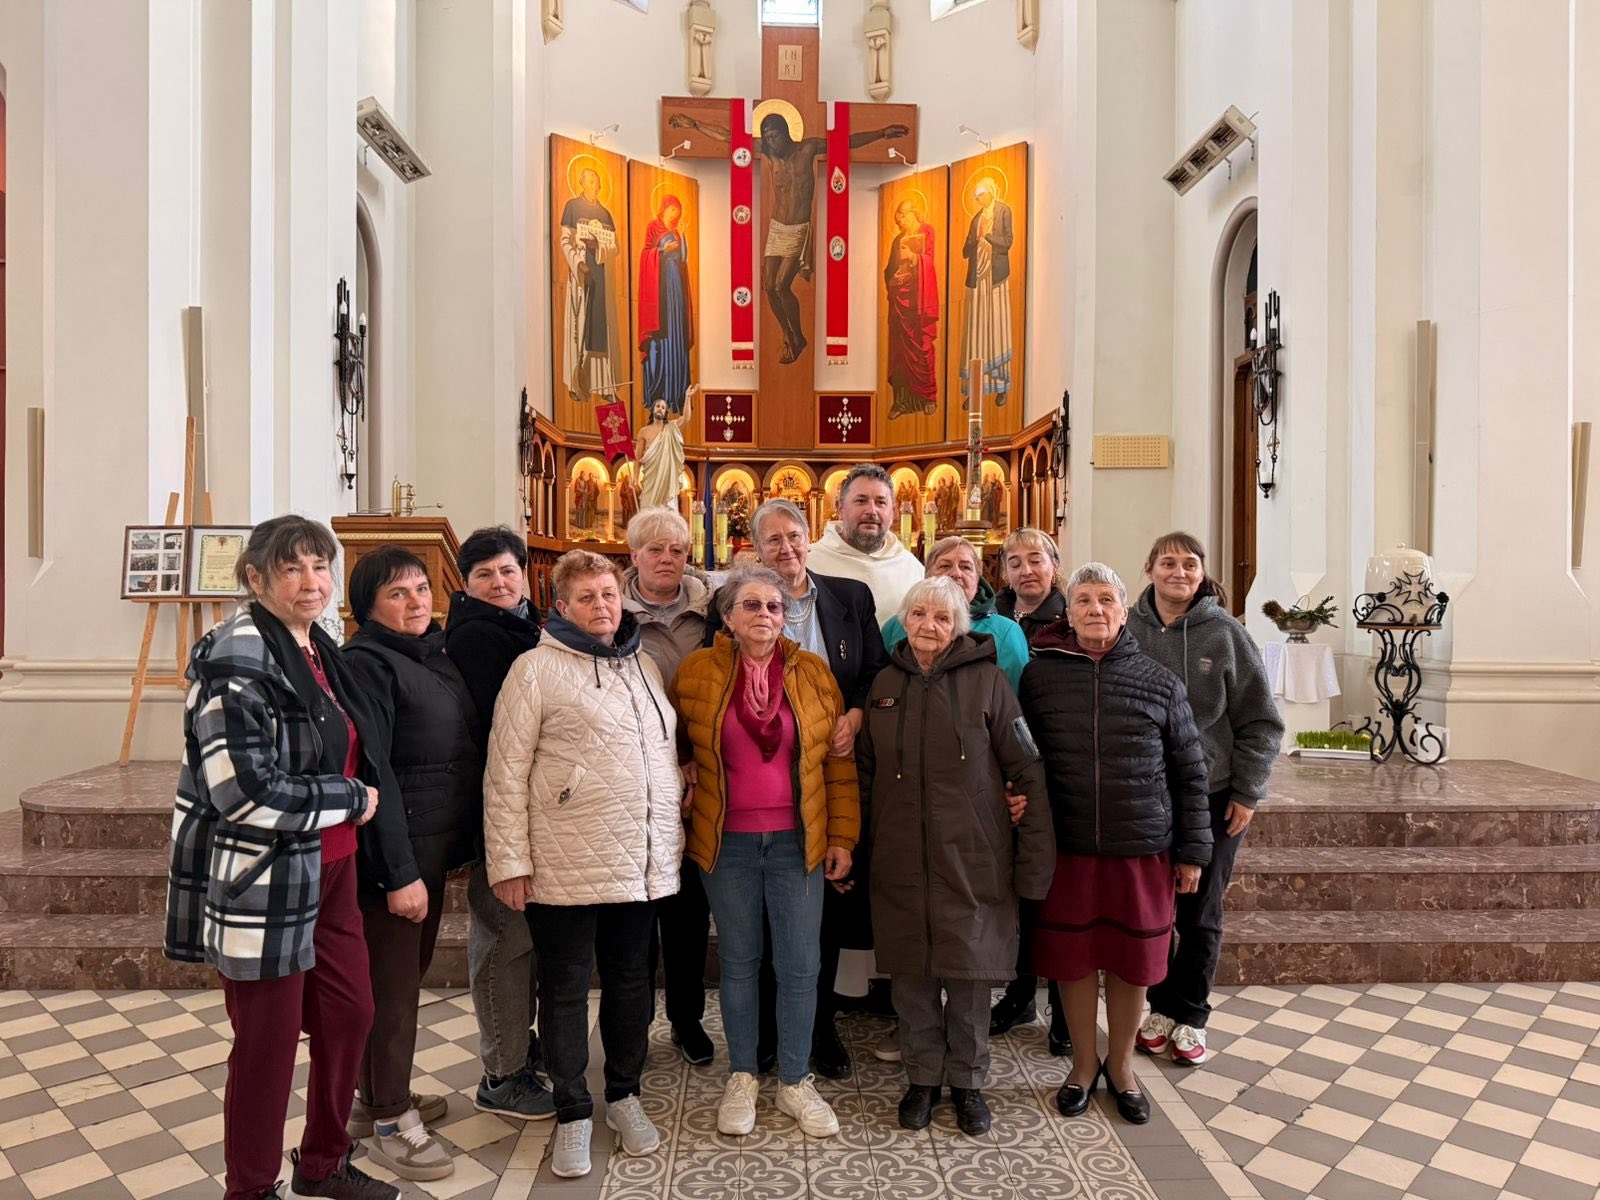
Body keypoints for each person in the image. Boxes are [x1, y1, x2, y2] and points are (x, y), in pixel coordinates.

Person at [164, 516, 396, 1200]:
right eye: (292, 568)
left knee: (350, 1013)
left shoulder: (318, 644)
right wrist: (350, 798)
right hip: (264, 878)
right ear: (256, 578)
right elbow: (243, 791)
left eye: (320, 567)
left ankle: (322, 1162)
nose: (312, 582)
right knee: (265, 1048)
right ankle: (250, 1189)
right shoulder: (235, 658)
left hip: (332, 869)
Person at [482, 550, 683, 1179]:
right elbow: (505, 772)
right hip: (561, 862)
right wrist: (509, 861)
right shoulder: (533, 670)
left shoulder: (644, 664)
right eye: (587, 597)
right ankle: (572, 1111)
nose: (602, 605)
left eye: (609, 594)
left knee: (631, 987)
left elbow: (659, 754)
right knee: (566, 991)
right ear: (561, 607)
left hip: (640, 861)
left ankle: (623, 1096)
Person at [860, 577, 1055, 1136]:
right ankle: (922, 1080)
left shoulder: (989, 682)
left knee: (969, 977)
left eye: (942, 618)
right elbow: (865, 774)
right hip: (899, 856)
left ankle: (968, 1084)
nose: (929, 626)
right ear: (905, 620)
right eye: (919, 614)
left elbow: (1026, 768)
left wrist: (1033, 854)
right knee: (913, 977)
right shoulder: (883, 685)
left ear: (959, 626)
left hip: (972, 856)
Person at [671, 565, 861, 1139]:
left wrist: (842, 837)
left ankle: (796, 1081)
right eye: (750, 605)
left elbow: (837, 762)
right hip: (725, 841)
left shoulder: (813, 673)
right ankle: (744, 1075)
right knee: (740, 962)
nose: (764, 616)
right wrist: (682, 769)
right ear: (727, 617)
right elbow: (673, 740)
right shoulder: (697, 671)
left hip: (797, 842)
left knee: (801, 965)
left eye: (774, 607)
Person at [1021, 562, 1212, 1125]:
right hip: (1070, 845)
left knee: (1132, 964)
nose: (1095, 610)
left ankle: (1122, 1067)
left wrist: (1193, 852)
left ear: (1124, 611)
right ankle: (1083, 1066)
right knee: (1074, 963)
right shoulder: (1039, 677)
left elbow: (1190, 771)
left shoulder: (1158, 681)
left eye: (1106, 600)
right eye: (1083, 600)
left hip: (1141, 847)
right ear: (1069, 611)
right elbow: (1019, 755)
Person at [719, 498, 890, 1079]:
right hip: (759, 787)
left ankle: (820, 1032)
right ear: (756, 549)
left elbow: (874, 670)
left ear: (809, 536)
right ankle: (765, 1037)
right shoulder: (747, 606)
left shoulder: (850, 596)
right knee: (759, 928)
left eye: (794, 537)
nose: (787, 549)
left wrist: (859, 714)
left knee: (822, 920)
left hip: (832, 766)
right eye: (773, 541)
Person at [341, 548, 484, 1180]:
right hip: (396, 857)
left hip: (430, 849)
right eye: (398, 593)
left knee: (400, 981)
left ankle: (376, 1098)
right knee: (391, 991)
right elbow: (378, 777)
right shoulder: (368, 664)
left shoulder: (431, 654)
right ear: (367, 604)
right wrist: (398, 873)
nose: (417, 601)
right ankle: (391, 1120)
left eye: (422, 587)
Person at [1128, 532, 1284, 1068]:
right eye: (1167, 562)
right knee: (1155, 908)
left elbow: (1261, 721)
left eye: (1189, 563)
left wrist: (1248, 790)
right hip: (1146, 794)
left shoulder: (1226, 634)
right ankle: (1159, 1007)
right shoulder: (1127, 630)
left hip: (1214, 794)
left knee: (1200, 910)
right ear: (1148, 568)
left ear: (1201, 572)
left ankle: (1191, 1014)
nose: (1178, 571)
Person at [442, 527, 554, 1124]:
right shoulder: (481, 637)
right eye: (484, 574)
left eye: (507, 570)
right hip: (502, 807)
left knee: (522, 939)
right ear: (466, 583)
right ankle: (502, 1074)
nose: (499, 582)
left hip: (529, 809)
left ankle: (517, 1048)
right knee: (505, 940)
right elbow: (509, 735)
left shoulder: (522, 627)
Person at [665, 109, 908, 363]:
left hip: (798, 229)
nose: (771, 142)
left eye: (775, 136)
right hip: (777, 228)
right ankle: (790, 334)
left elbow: (844, 143)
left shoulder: (808, 149)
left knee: (782, 285)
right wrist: (693, 124)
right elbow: (728, 137)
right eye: (767, 137)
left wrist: (881, 134)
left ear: (786, 133)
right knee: (769, 287)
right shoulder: (769, 153)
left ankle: (797, 336)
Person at [621, 506, 716, 1067]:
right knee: (634, 918)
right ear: (632, 556)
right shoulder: (610, 613)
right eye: (654, 549)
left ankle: (686, 1020)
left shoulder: (714, 614)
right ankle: (630, 1029)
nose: (666, 559)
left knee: (686, 910)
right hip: (637, 783)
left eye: (677, 550)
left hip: (703, 778)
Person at [989, 527, 1071, 1051]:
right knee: (1017, 894)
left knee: (1059, 901)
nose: (1025, 570)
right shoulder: (991, 620)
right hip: (1001, 772)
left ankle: (1064, 1011)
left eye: (1035, 559)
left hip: (1056, 773)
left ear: (1054, 565)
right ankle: (1019, 996)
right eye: (1014, 562)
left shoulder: (1071, 619)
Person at [880, 536, 1030, 689]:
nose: (956, 573)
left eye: (965, 567)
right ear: (927, 576)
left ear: (977, 578)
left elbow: (1012, 700)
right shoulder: (897, 625)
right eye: (945, 566)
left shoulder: (1005, 632)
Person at [805, 463, 926, 628]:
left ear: (893, 512)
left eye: (881, 502)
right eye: (861, 501)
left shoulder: (911, 568)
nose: (871, 510)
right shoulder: (809, 564)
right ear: (840, 508)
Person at [561, 165, 620, 401]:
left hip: (601, 273)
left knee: (601, 331)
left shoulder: (605, 214)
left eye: (596, 181)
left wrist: (600, 247)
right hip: (582, 274)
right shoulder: (572, 207)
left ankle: (604, 387)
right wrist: (577, 263)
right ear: (581, 183)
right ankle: (577, 383)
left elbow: (614, 247)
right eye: (589, 181)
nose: (594, 185)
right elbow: (565, 240)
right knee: (580, 328)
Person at [959, 177, 1015, 405]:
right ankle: (974, 388)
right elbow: (965, 251)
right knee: (977, 332)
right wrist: (977, 236)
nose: (979, 198)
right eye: (976, 196)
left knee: (996, 330)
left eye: (982, 193)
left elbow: (1008, 242)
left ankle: (1001, 384)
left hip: (996, 280)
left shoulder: (1003, 211)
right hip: (977, 280)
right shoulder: (976, 219)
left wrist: (988, 235)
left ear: (991, 191)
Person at [638, 193, 694, 415]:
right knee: (661, 338)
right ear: (664, 209)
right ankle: (659, 393)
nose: (675, 215)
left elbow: (683, 258)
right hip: (659, 286)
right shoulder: (653, 226)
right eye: (673, 210)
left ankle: (677, 393)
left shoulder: (676, 232)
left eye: (678, 212)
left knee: (676, 334)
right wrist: (662, 251)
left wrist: (684, 235)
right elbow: (645, 254)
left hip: (676, 288)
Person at [884, 197, 940, 418]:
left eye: (902, 214)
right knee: (899, 353)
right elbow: (888, 270)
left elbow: (930, 260)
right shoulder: (897, 240)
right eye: (897, 216)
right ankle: (901, 402)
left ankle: (928, 397)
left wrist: (913, 257)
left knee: (922, 346)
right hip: (899, 304)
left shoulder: (927, 232)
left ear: (914, 213)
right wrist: (893, 280)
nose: (899, 219)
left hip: (919, 303)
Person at [637, 388, 692, 511]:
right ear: (653, 409)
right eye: (658, 406)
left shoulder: (671, 427)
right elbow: (638, 458)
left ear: (665, 412)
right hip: (650, 480)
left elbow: (686, 418)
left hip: (666, 480)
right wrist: (635, 479)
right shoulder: (644, 431)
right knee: (648, 513)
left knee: (666, 515)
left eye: (663, 407)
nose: (660, 409)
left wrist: (688, 397)